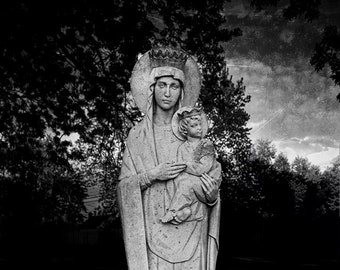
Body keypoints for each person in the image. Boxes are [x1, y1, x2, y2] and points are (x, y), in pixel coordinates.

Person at [117, 46, 222, 270]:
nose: (167, 93)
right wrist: (152, 175)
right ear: (152, 88)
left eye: (174, 86)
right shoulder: (138, 136)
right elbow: (124, 186)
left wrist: (213, 197)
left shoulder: (194, 133)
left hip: (193, 228)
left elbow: (210, 176)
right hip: (153, 229)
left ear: (182, 90)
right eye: (162, 85)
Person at [161, 106, 221, 224]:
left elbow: (203, 168)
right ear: (184, 129)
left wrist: (185, 166)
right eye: (194, 126)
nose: (199, 128)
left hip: (206, 185)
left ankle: (173, 212)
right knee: (179, 181)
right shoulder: (182, 148)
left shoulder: (206, 145)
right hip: (189, 185)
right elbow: (179, 169)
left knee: (186, 182)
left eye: (199, 124)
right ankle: (185, 212)